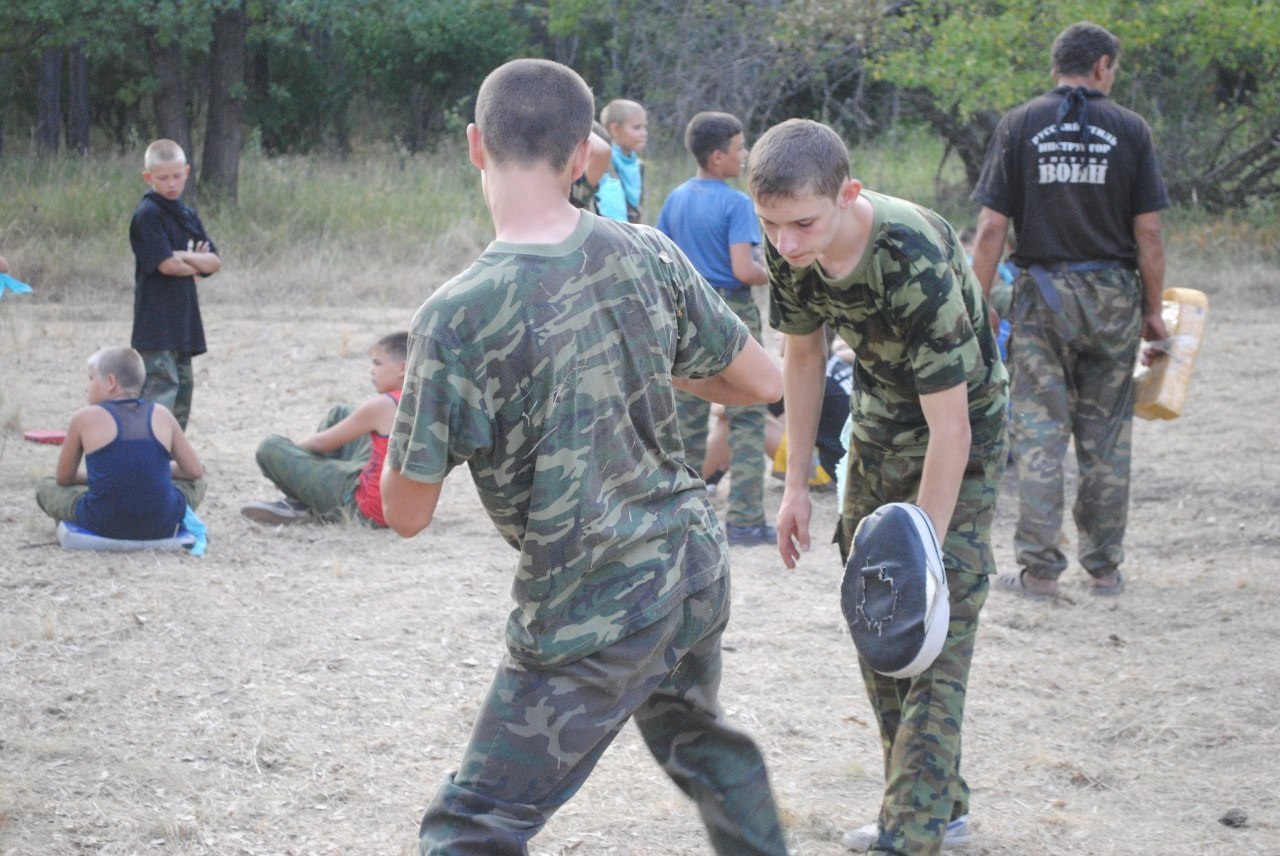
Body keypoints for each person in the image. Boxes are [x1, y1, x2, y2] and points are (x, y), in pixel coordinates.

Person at [380, 58, 788, 856]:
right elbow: (762, 380)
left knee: (471, 826)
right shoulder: (648, 252)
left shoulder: (456, 314)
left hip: (591, 602)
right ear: (581, 156)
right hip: (690, 569)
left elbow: (405, 512)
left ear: (475, 145)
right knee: (701, 743)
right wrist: (633, 358)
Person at [747, 118, 1008, 855]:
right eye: (770, 224)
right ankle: (937, 803)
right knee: (883, 618)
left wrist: (926, 553)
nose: (785, 243)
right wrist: (796, 486)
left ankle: (912, 833)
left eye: (802, 224)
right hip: (878, 422)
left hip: (960, 429)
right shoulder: (789, 241)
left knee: (934, 620)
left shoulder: (909, 254)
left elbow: (952, 427)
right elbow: (802, 358)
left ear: (847, 194)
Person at [970, 21, 1169, 599]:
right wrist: (1153, 310)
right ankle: (1104, 569)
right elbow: (1149, 235)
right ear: (1102, 66)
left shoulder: (1021, 124)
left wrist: (977, 300)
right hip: (1114, 300)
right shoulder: (1131, 128)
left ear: (1057, 66)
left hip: (1043, 297)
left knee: (1039, 433)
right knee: (1107, 438)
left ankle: (1039, 573)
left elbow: (990, 228)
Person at [657, 111, 777, 545]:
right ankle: (745, 519)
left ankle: (682, 519)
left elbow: (663, 260)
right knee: (747, 416)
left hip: (685, 310)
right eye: (740, 148)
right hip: (730, 310)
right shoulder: (737, 203)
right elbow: (744, 270)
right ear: (717, 156)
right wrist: (774, 272)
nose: (745, 155)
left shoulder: (675, 199)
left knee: (685, 420)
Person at [36, 346, 205, 540]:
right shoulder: (162, 414)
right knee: (197, 483)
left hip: (101, 523)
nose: (86, 386)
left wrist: (103, 477)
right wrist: (153, 471)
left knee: (46, 485)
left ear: (110, 382)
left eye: (91, 378)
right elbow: (195, 472)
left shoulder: (84, 418)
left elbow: (64, 478)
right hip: (161, 524)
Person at [240, 332, 407, 528]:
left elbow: (320, 443)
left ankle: (304, 501)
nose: (371, 371)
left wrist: (291, 460)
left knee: (270, 447)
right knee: (341, 413)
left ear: (403, 368)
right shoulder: (428, 400)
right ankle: (311, 495)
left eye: (377, 363)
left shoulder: (384, 405)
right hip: (405, 507)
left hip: (365, 510)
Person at [129, 138, 221, 430]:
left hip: (183, 321)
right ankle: (148, 452)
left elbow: (214, 262)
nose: (171, 183)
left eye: (177, 176)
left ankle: (172, 451)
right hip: (156, 324)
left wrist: (182, 256)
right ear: (148, 177)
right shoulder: (148, 215)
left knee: (183, 389)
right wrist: (193, 262)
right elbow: (166, 266)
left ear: (187, 172)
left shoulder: (187, 215)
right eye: (163, 178)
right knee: (160, 390)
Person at [599, 98, 648, 223]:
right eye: (637, 127)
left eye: (644, 127)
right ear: (615, 129)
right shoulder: (603, 164)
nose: (644, 133)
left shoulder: (638, 166)